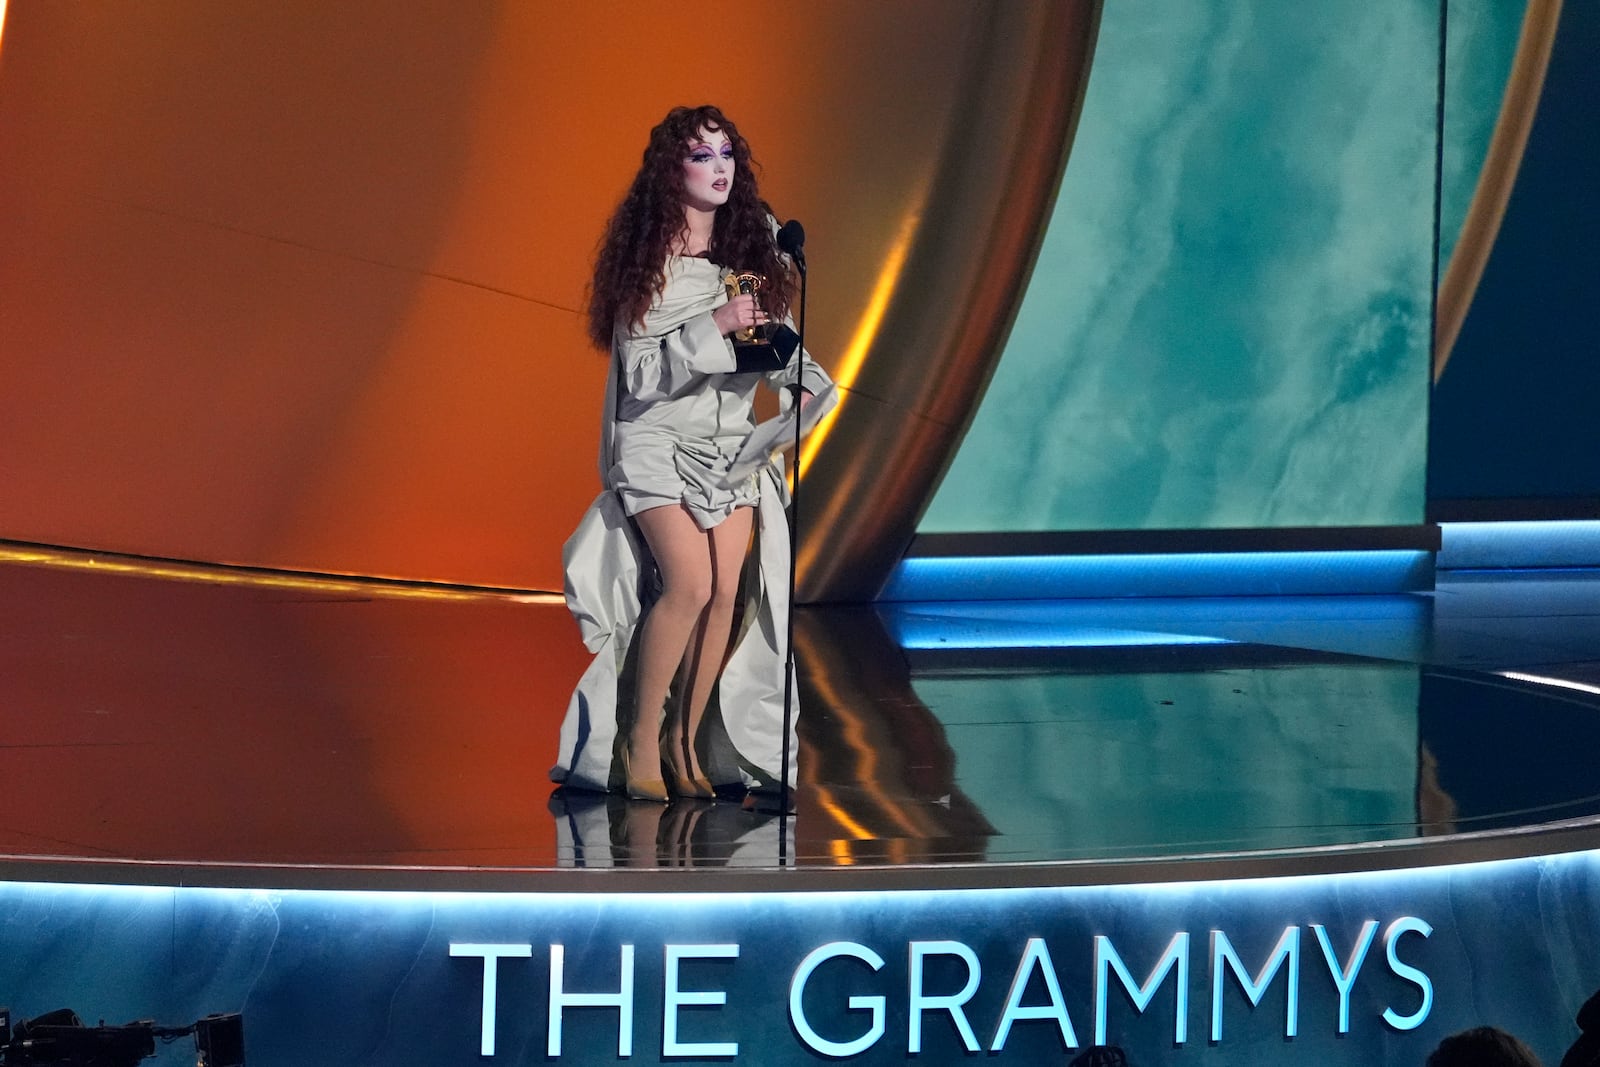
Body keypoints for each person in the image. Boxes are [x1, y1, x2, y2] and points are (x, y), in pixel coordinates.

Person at [551, 105, 834, 803]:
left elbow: (775, 351)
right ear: (670, 171)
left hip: (730, 447)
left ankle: (684, 736)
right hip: (654, 441)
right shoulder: (648, 265)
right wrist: (713, 324)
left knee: (727, 597)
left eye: (727, 153)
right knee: (690, 584)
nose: (719, 167)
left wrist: (804, 383)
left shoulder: (751, 260)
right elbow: (642, 379)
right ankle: (639, 736)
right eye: (702, 155)